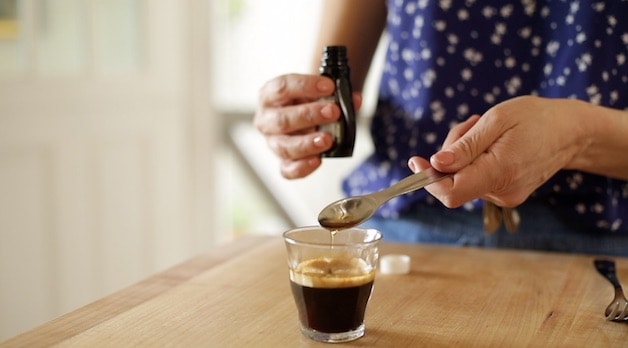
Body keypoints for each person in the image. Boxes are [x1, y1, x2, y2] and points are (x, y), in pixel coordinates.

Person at [254, 0, 628, 256]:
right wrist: (301, 119)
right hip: (403, 237)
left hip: (603, 246)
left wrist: (578, 136)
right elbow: (326, 90)